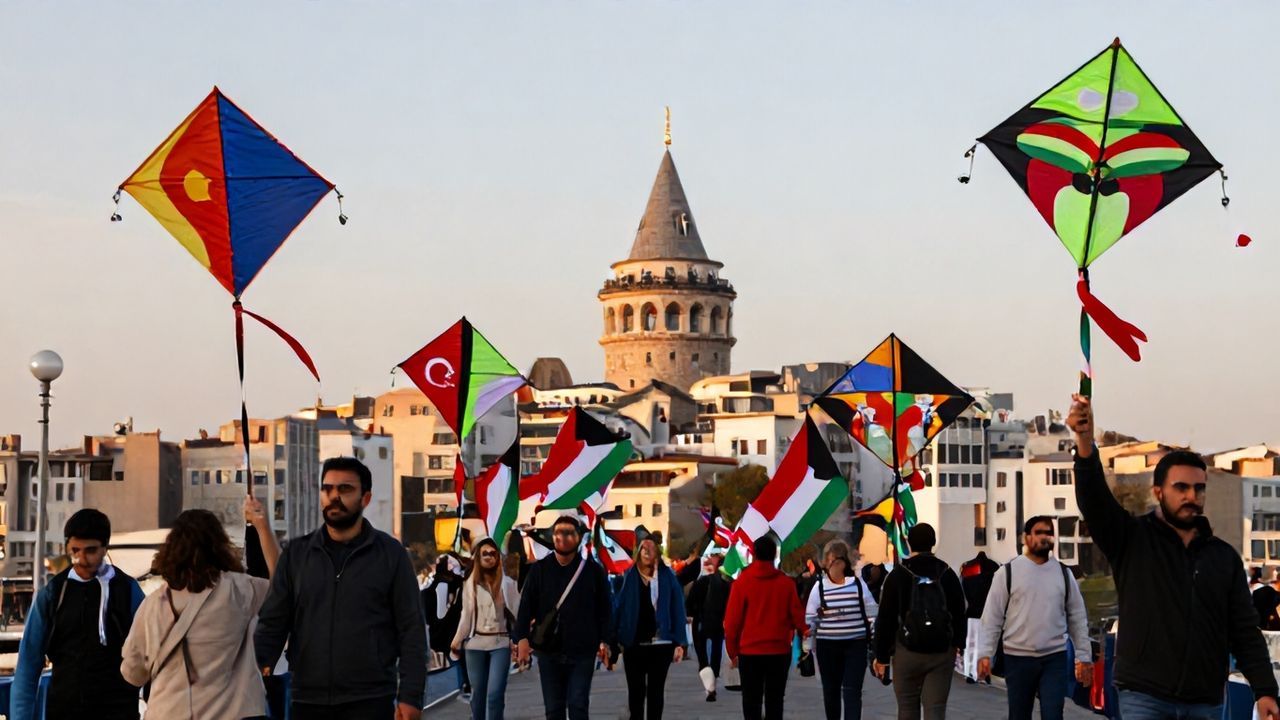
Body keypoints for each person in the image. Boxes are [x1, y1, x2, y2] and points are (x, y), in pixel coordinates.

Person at [1068, 395, 1280, 720]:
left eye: (1199, 489)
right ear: (1158, 492)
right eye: (1181, 487)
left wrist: (1265, 691)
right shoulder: (1132, 540)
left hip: (1205, 700)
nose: (1191, 497)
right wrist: (1085, 443)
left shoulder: (1222, 558)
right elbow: (1094, 501)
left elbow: (1244, 630)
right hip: (1144, 695)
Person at [255, 456, 426, 720]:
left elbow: (411, 629)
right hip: (307, 699)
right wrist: (254, 672)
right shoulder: (297, 555)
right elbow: (273, 623)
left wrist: (411, 696)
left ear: (365, 498)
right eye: (328, 489)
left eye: (345, 489)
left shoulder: (390, 555)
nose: (334, 496)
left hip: (371, 699)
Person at [121, 497, 282, 718]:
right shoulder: (239, 591)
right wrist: (262, 526)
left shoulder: (152, 606)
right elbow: (282, 585)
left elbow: (132, 673)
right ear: (220, 546)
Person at [11, 508, 145, 720]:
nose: (82, 559)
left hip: (119, 712)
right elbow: (28, 664)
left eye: (90, 550)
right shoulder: (53, 594)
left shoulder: (128, 591)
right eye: (75, 550)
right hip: (64, 711)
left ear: (105, 548)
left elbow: (151, 656)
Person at [975, 516, 1092, 720]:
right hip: (1017, 659)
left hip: (1054, 658)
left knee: (1053, 713)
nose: (1045, 537)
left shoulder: (1064, 574)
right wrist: (985, 654)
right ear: (1026, 538)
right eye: (1039, 532)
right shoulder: (1008, 573)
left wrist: (1083, 656)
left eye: (1049, 533)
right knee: (1019, 715)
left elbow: (1077, 617)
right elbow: (992, 617)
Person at [513, 515, 612, 720]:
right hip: (549, 651)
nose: (562, 537)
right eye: (558, 532)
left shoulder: (593, 572)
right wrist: (521, 638)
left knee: (577, 705)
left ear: (578, 537)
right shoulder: (539, 570)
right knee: (554, 709)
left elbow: (605, 610)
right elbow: (525, 606)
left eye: (568, 533)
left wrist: (607, 641)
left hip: (582, 650)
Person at [871, 523, 967, 720]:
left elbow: (886, 619)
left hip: (907, 652)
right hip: (941, 652)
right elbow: (959, 610)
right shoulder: (947, 573)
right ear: (933, 543)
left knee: (907, 709)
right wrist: (958, 644)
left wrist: (881, 656)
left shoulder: (897, 574)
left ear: (909, 543)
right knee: (936, 709)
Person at [723, 536, 808, 720]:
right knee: (775, 701)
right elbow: (798, 617)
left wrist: (733, 651)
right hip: (778, 651)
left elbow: (731, 623)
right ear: (775, 554)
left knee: (751, 701)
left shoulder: (742, 584)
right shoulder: (786, 584)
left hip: (749, 652)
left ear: (753, 554)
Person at [611, 536, 687, 719]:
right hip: (634, 644)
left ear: (658, 554)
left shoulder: (668, 577)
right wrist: (612, 641)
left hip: (661, 644)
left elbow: (677, 609)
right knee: (635, 694)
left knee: (656, 692)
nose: (646, 550)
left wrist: (680, 642)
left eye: (651, 547)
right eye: (643, 547)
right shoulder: (627, 577)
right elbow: (617, 608)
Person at [805, 539, 878, 720]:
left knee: (851, 691)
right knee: (832, 691)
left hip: (855, 645)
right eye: (831, 560)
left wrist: (874, 639)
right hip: (828, 646)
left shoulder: (858, 585)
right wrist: (807, 644)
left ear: (844, 562)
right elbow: (810, 619)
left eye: (837, 560)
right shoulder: (819, 588)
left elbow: (872, 613)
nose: (833, 565)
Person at [450, 537, 519, 720]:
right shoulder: (470, 585)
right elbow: (466, 616)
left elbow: (518, 613)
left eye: (493, 554)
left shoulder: (508, 584)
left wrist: (520, 640)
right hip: (475, 644)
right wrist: (457, 641)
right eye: (485, 554)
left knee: (495, 694)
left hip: (500, 642)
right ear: (478, 558)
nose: (489, 557)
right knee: (477, 695)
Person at [686, 552, 732, 701]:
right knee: (716, 650)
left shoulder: (701, 581)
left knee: (702, 653)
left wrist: (690, 614)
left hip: (701, 622)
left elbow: (690, 602)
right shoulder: (727, 585)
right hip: (718, 623)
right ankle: (714, 676)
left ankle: (708, 681)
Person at [426, 554, 469, 700]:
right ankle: (465, 685)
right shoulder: (444, 584)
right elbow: (441, 614)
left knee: (459, 660)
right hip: (447, 631)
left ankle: (464, 685)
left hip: (444, 631)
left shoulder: (442, 583)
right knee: (459, 659)